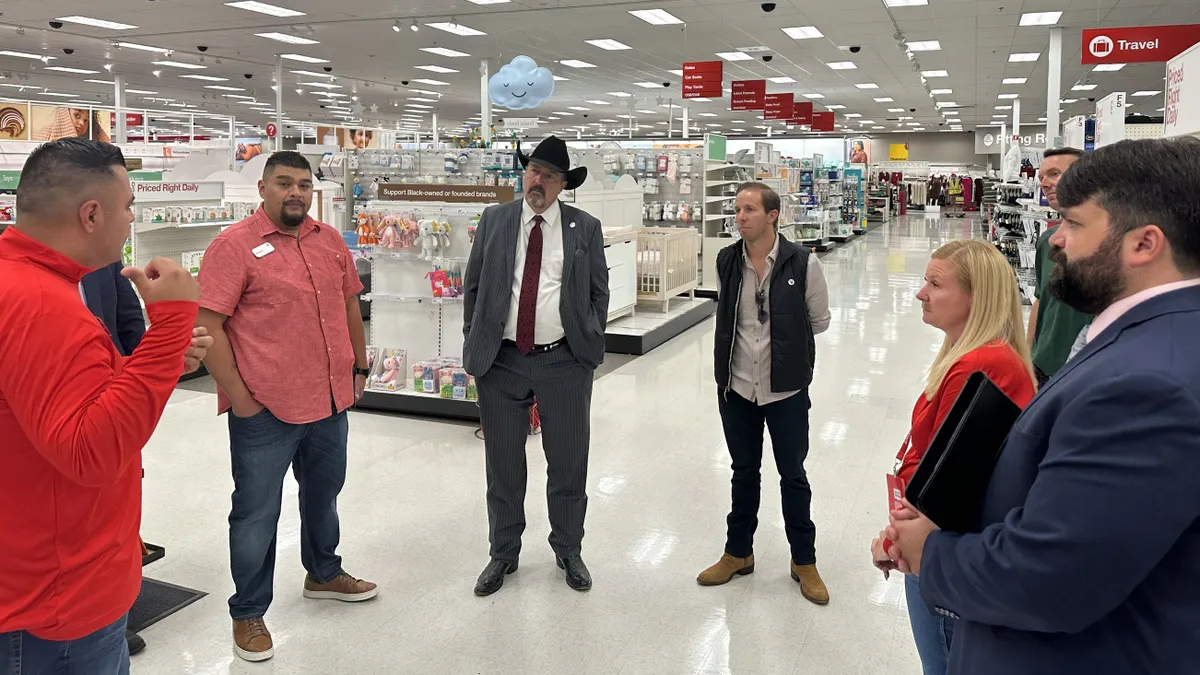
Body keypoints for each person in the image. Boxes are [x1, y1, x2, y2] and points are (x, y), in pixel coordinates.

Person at [888, 137, 1200, 675]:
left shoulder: (1147, 384)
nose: (1056, 239)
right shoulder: (1150, 341)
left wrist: (932, 553)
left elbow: (1054, 575)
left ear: (1144, 243)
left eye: (1075, 224)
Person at [0, 138, 205, 674]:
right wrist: (169, 331)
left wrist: (155, 364)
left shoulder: (22, 282)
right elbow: (89, 452)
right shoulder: (42, 305)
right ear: (92, 214)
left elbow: (55, 403)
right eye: (129, 205)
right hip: (56, 605)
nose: (131, 218)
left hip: (38, 578)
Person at [196, 151, 376, 663]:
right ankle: (248, 611)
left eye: (302, 183)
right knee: (256, 514)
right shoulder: (232, 247)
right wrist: (243, 400)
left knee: (324, 495)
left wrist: (358, 367)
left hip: (329, 399)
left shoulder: (329, 241)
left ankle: (323, 572)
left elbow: (348, 306)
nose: (294, 192)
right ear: (262, 188)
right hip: (266, 410)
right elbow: (209, 328)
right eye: (283, 183)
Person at [868, 240, 1036, 675]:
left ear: (975, 297)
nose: (920, 292)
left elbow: (948, 486)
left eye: (935, 283)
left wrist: (895, 539)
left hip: (940, 550)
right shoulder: (980, 356)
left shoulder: (980, 364)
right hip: (940, 543)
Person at [462, 135, 609, 597]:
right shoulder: (495, 219)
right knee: (503, 466)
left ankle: (569, 548)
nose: (537, 181)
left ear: (564, 184)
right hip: (502, 361)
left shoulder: (584, 227)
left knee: (568, 463)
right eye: (532, 171)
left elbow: (598, 292)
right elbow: (474, 285)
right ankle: (502, 552)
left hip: (564, 360)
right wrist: (476, 339)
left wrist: (589, 339)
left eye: (548, 175)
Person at [696, 182, 832, 605]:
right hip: (737, 387)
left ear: (773, 215)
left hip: (785, 390)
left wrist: (786, 347)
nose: (741, 217)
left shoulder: (803, 263)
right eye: (738, 210)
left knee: (793, 474)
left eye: (750, 210)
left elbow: (819, 320)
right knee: (743, 472)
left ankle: (804, 561)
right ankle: (739, 553)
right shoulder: (726, 260)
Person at [1026, 147, 1089, 386]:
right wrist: (1028, 353)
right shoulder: (1048, 242)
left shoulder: (1111, 245)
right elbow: (1041, 300)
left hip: (1083, 371)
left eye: (1054, 174)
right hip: (1042, 366)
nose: (1045, 183)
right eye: (1041, 177)